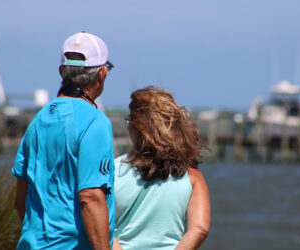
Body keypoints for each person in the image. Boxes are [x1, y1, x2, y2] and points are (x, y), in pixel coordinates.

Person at [12, 31, 116, 249]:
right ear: (102, 73)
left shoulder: (38, 121)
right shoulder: (96, 122)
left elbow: (20, 201)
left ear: (62, 71)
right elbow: (91, 198)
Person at [113, 86, 210, 250]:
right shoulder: (191, 175)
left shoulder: (111, 171)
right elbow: (200, 228)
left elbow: (99, 225)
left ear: (138, 127)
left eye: (129, 121)